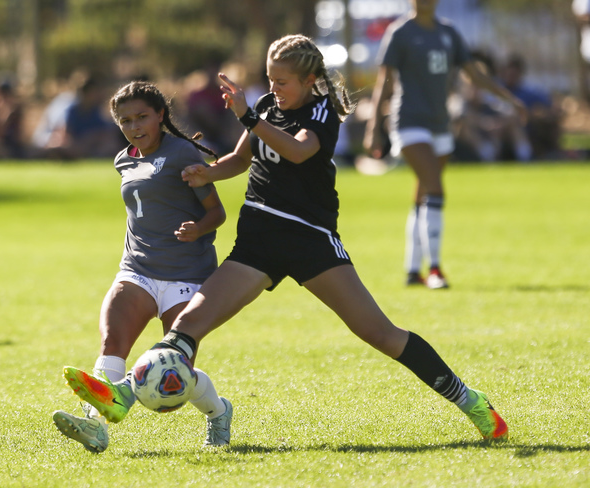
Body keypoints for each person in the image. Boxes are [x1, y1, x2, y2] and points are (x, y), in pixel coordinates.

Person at [67, 34, 509, 444]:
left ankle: (470, 400)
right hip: (258, 242)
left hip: (310, 241)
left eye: (283, 81)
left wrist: (247, 115)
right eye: (270, 78)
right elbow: (239, 160)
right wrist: (206, 171)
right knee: (186, 329)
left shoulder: (319, 111)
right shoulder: (265, 106)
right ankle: (122, 395)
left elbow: (298, 150)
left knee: (379, 333)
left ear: (310, 80)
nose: (273, 87)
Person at [52, 80, 231, 453]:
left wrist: (198, 227)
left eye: (142, 117)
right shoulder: (124, 159)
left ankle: (218, 411)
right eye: (125, 120)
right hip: (136, 270)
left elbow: (217, 212)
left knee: (173, 374)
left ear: (161, 115)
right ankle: (93, 423)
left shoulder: (183, 154)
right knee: (111, 343)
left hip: (187, 276)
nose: (134, 126)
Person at [363, 0, 527, 289]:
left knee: (423, 193)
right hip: (410, 122)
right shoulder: (400, 33)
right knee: (435, 187)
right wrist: (374, 127)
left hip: (440, 124)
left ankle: (413, 270)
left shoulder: (449, 32)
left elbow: (475, 75)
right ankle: (435, 269)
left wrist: (511, 100)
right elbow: (383, 83)